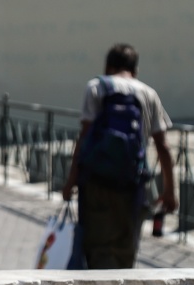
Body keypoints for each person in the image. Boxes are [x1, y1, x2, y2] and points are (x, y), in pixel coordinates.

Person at [62, 44, 177, 269]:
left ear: (108, 66)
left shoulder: (96, 87)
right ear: (135, 70)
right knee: (125, 252)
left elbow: (84, 138)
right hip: (133, 185)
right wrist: (170, 192)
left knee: (96, 249)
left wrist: (70, 181)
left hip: (96, 184)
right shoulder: (147, 93)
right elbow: (163, 147)